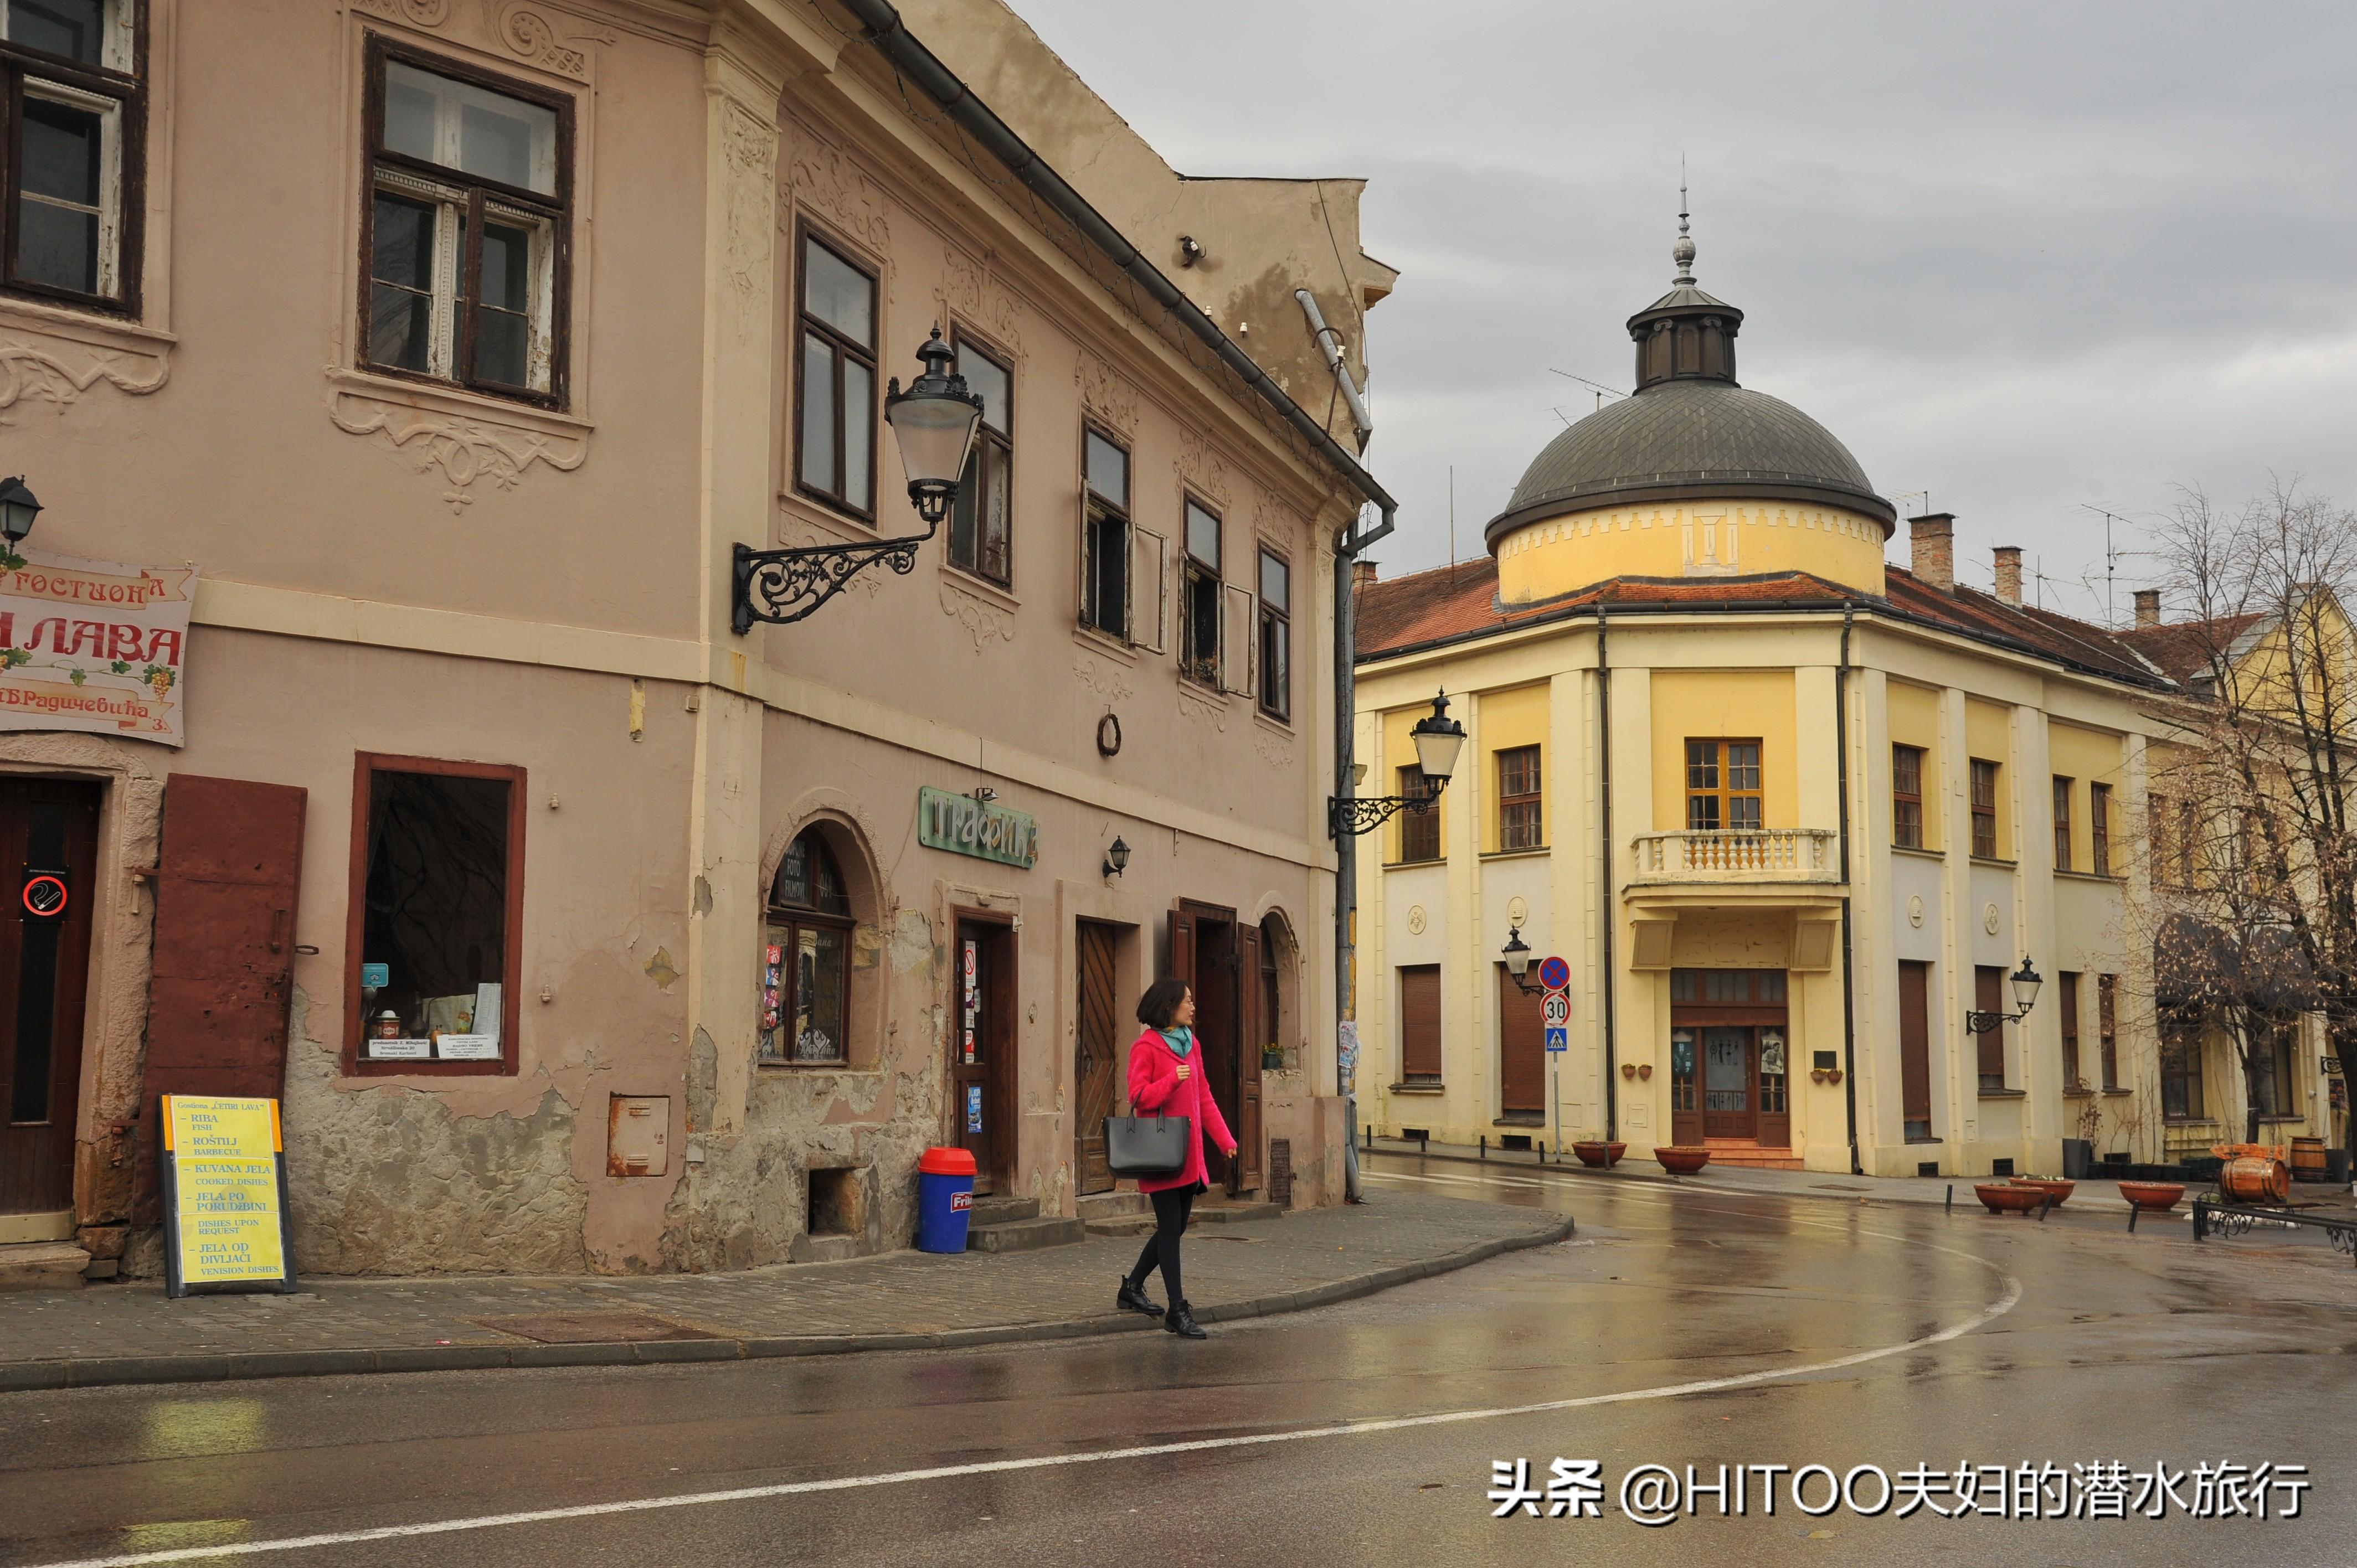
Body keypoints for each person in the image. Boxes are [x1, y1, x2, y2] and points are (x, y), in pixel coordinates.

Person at [1116, 977, 1237, 1339]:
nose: (1193, 1006)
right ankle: (1177, 1309)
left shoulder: (1192, 1046)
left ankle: (1132, 1287)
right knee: (1171, 1229)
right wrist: (1172, 1081)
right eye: (1188, 1000)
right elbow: (1138, 1097)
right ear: (1169, 1006)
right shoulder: (1146, 1047)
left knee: (1176, 1228)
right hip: (1161, 1154)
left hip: (1189, 1156)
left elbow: (1205, 1099)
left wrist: (1225, 1140)